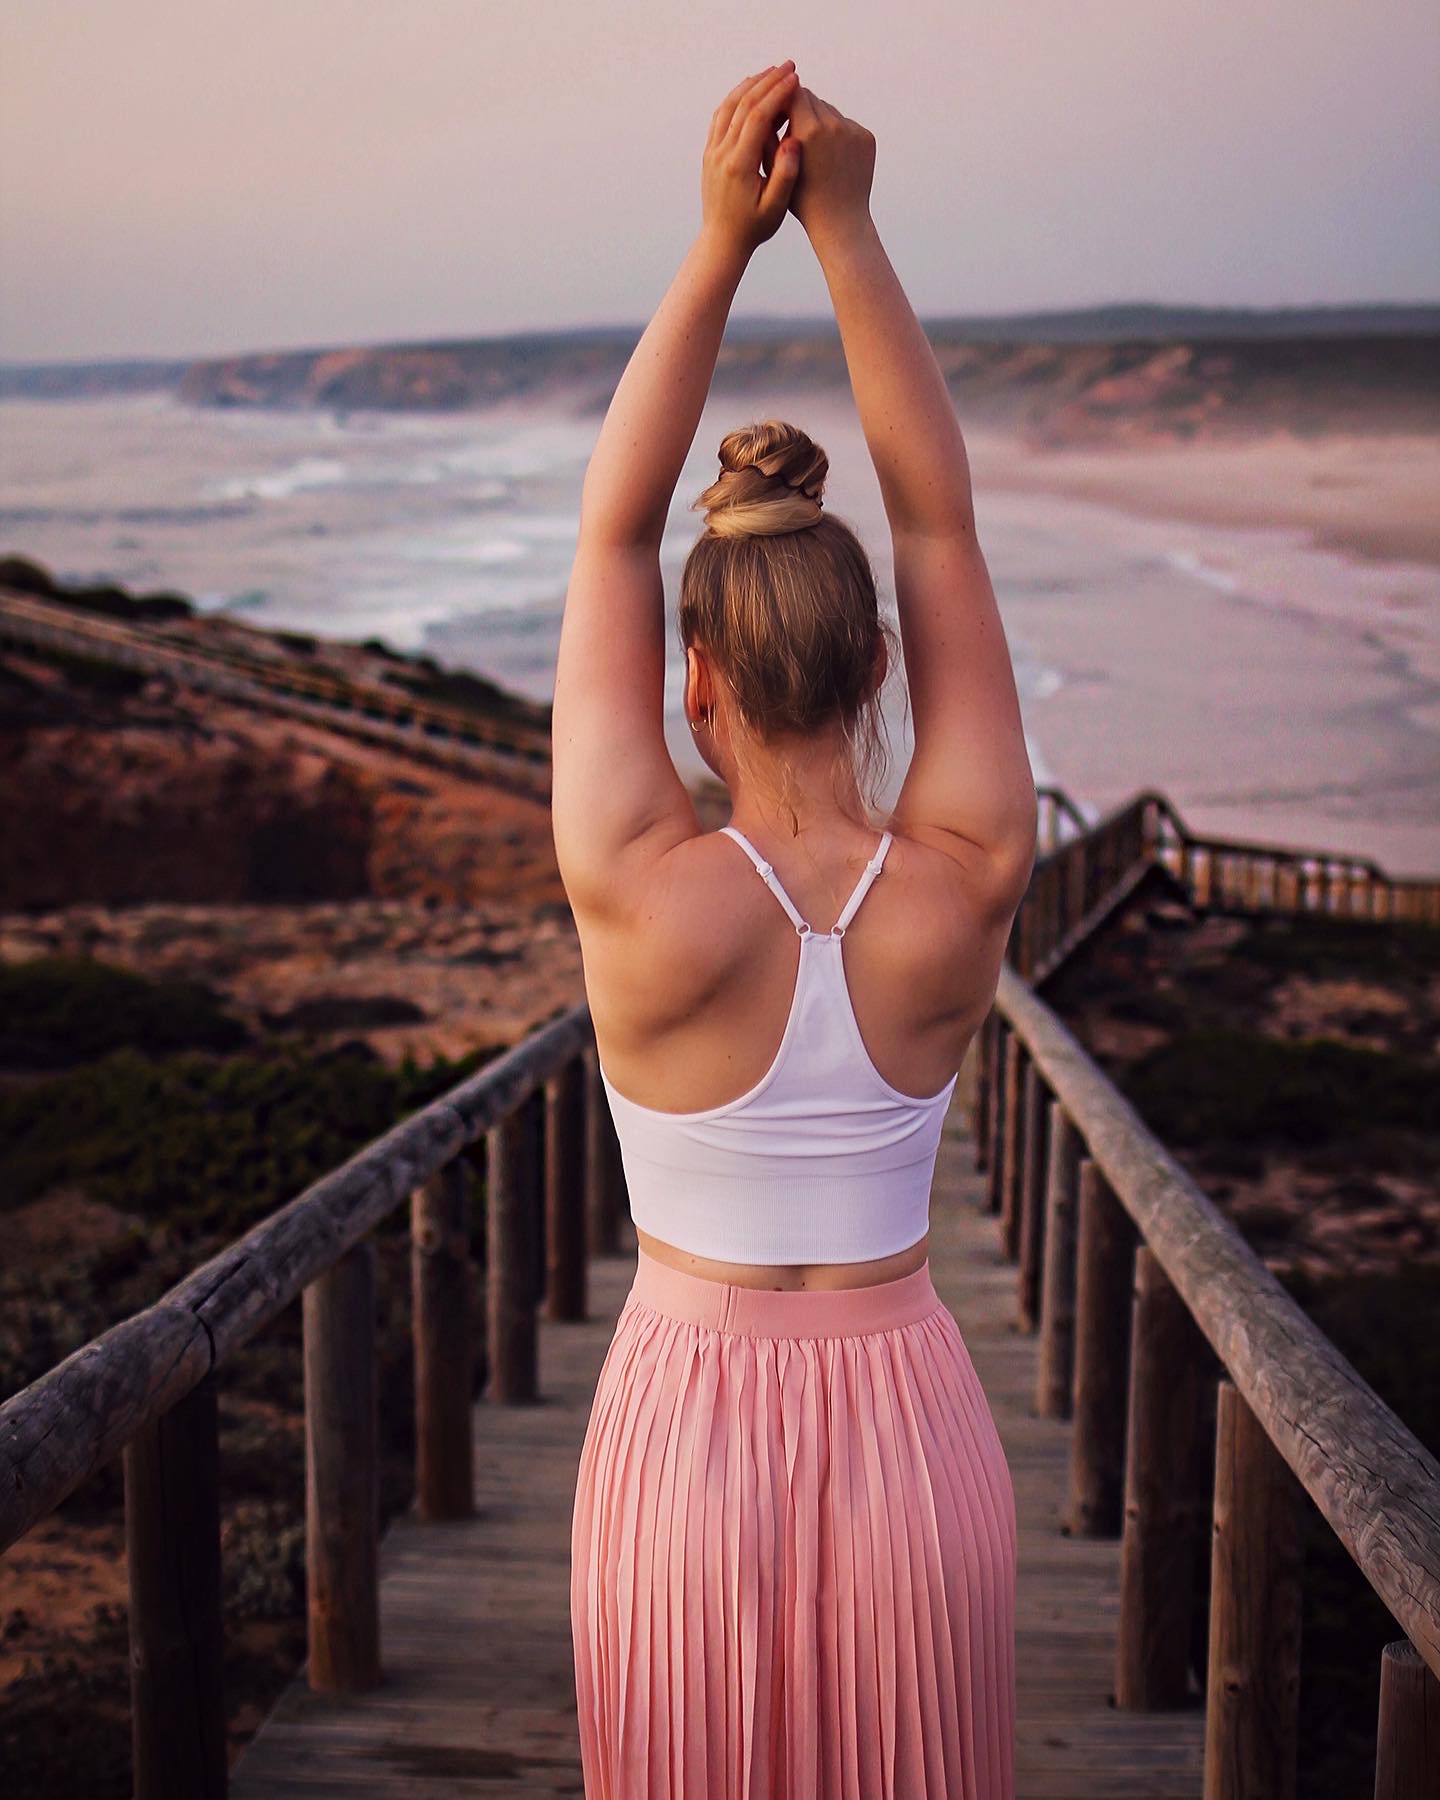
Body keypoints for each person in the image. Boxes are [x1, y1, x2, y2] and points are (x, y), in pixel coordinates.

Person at [552, 59, 1035, 1800]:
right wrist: (849, 234)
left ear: (696, 682)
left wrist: (715, 245)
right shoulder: (962, 875)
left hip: (684, 1446)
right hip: (916, 1451)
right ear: (881, 663)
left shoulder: (639, 885)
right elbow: (937, 521)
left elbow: (613, 535)